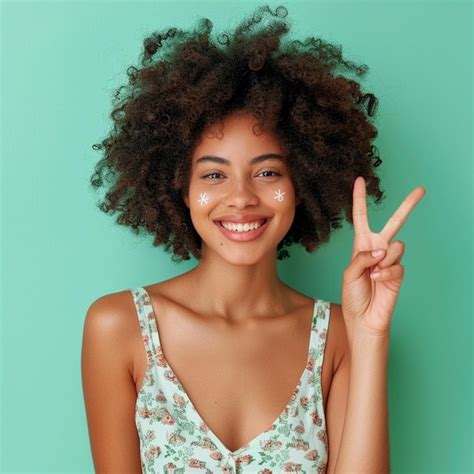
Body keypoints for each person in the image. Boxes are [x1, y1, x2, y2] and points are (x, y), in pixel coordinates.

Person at [81, 4, 425, 473]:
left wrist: (370, 337)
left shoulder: (340, 334)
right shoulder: (118, 327)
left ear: (302, 183)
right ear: (180, 187)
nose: (241, 198)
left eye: (267, 171)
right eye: (214, 175)